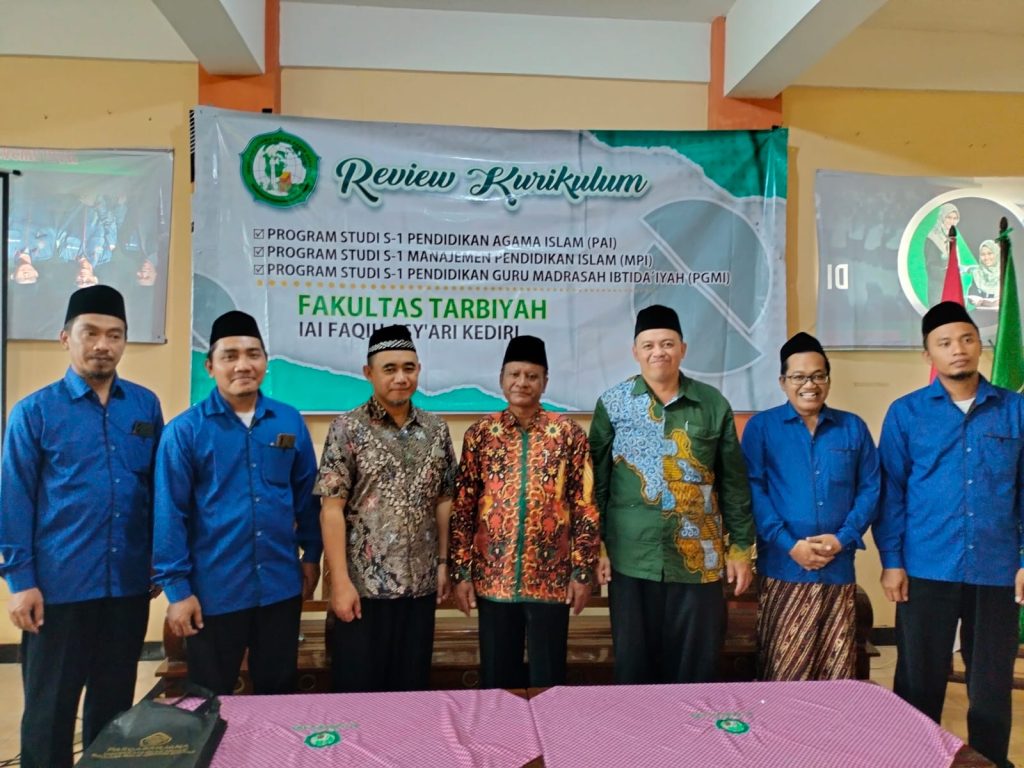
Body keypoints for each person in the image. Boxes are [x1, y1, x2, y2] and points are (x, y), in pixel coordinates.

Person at [0, 285, 163, 768]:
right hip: (59, 588)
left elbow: (157, 491)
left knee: (114, 709)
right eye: (90, 333)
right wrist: (20, 581)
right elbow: (14, 500)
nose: (102, 345)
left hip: (128, 585)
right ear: (65, 338)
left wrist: (159, 560)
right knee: (50, 709)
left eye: (114, 335)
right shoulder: (35, 412)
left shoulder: (145, 407)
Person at [875, 301, 1024, 768]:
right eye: (944, 343)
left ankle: (991, 763)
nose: (957, 349)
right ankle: (915, 761)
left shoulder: (1015, 410)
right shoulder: (907, 414)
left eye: (966, 339)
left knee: (991, 686)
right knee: (918, 681)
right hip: (926, 566)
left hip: (997, 569)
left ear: (980, 345)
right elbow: (891, 493)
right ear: (929, 355)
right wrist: (892, 561)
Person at [153, 310, 322, 695]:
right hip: (214, 593)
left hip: (280, 587)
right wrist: (177, 591)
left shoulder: (288, 421)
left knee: (278, 694)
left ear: (265, 361)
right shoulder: (185, 432)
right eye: (230, 356)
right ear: (210, 366)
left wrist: (311, 555)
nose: (243, 365)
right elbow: (169, 515)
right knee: (209, 698)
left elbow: (307, 497)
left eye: (253, 354)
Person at [589, 304, 755, 684]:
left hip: (698, 560)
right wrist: (597, 547)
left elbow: (733, 483)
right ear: (635, 351)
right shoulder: (612, 404)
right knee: (635, 668)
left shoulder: (712, 405)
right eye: (648, 345)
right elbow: (596, 485)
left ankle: (691, 724)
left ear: (683, 348)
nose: (658, 352)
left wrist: (740, 549)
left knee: (696, 669)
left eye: (667, 344)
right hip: (632, 558)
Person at [449, 335, 600, 688]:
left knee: (549, 680)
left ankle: (549, 727)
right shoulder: (480, 434)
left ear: (545, 381)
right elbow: (463, 507)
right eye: (514, 374)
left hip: (552, 578)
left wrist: (583, 572)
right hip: (493, 578)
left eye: (532, 376)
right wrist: (460, 572)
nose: (522, 382)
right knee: (498, 680)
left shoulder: (569, 434)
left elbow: (585, 506)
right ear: (501, 379)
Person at [315, 324, 456, 692]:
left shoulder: (436, 430)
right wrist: (339, 583)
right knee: (359, 695)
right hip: (363, 590)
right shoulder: (347, 428)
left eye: (408, 368)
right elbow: (331, 509)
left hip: (420, 588)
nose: (400, 378)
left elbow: (444, 499)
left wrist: (444, 563)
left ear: (418, 370)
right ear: (369, 373)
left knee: (412, 693)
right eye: (389, 369)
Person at [741, 332, 880, 681]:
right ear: (783, 382)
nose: (810, 385)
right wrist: (790, 545)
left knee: (835, 675)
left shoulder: (852, 428)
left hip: (837, 569)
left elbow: (871, 488)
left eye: (818, 376)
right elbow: (753, 490)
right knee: (786, 674)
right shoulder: (762, 428)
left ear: (828, 380)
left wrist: (842, 538)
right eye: (799, 377)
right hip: (783, 570)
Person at [923, 202, 960, 306]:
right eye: (948, 217)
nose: (952, 221)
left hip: (952, 288)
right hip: (939, 291)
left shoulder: (951, 237)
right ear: (942, 217)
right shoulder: (933, 238)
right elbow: (931, 267)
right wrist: (949, 274)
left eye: (955, 218)